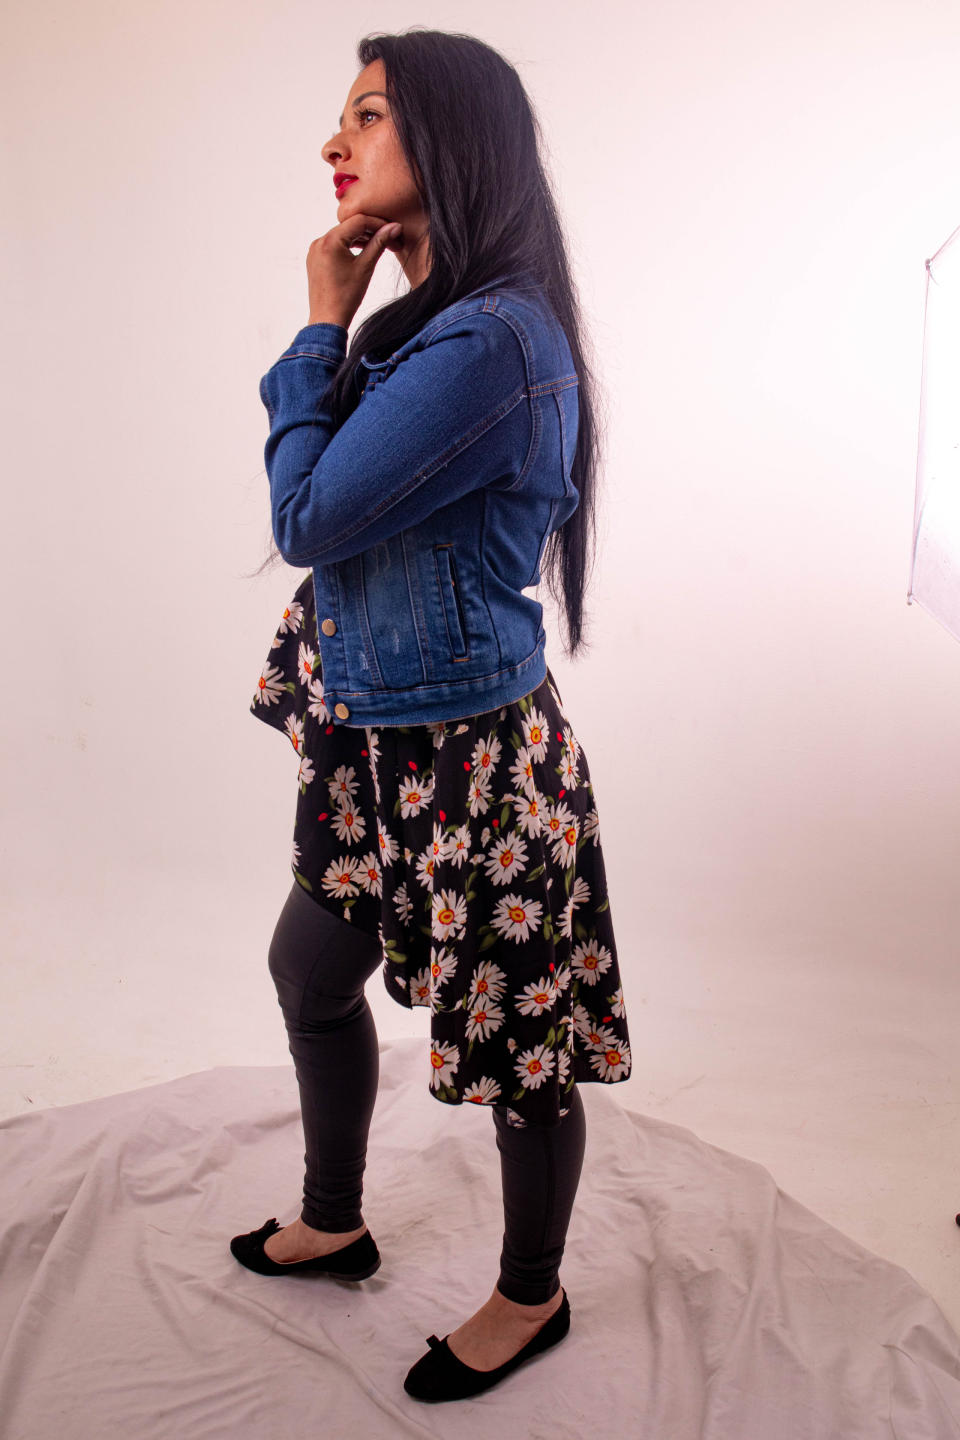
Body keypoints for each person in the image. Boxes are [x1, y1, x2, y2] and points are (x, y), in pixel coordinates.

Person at [231, 28, 633, 1402]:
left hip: (474, 763)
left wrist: (315, 324)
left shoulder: (492, 341)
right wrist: (347, 327)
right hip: (375, 746)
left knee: (521, 1056)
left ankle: (533, 1296)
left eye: (367, 116)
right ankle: (334, 1221)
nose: (334, 144)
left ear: (452, 138)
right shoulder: (437, 330)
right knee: (309, 973)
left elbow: (308, 516)